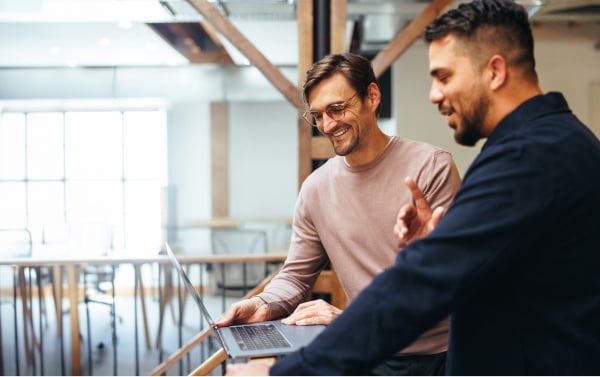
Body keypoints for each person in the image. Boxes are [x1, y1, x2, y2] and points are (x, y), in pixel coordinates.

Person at [226, 0, 600, 375]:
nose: (434, 94)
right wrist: (433, 249)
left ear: (495, 71)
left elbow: (425, 284)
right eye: (317, 115)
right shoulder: (553, 142)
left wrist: (284, 373)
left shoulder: (526, 158)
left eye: (444, 76)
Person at [216, 52, 462, 375]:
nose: (328, 125)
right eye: (318, 115)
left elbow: (450, 284)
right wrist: (263, 304)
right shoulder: (316, 188)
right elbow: (295, 275)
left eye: (337, 109)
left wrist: (348, 320)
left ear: (372, 97)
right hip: (368, 350)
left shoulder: (431, 167)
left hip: (440, 356)